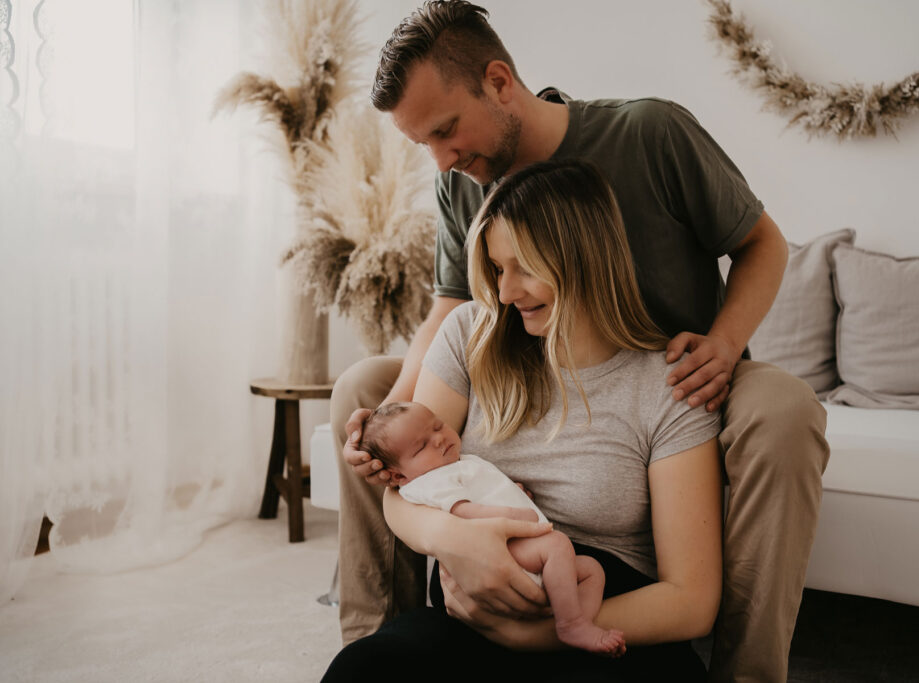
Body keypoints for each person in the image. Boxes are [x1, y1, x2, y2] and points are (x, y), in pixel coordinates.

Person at [331, 2, 829, 680]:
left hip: (684, 365)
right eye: (425, 145)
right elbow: (455, 304)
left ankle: (744, 673)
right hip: (522, 361)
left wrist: (723, 341)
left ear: (499, 82)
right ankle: (381, 628)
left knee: (784, 410)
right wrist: (392, 418)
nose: (442, 159)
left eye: (446, 130)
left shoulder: (648, 133)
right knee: (360, 393)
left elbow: (761, 243)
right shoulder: (460, 186)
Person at [323, 158, 721, 682]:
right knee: (364, 669)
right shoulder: (471, 335)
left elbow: (691, 600)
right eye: (497, 268)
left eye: (525, 268)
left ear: (586, 260)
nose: (505, 292)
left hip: (602, 618)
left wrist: (538, 634)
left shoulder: (667, 384)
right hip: (470, 619)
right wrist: (453, 539)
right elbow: (404, 493)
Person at [359, 400, 627, 656]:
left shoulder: (459, 463)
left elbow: (484, 489)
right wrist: (508, 513)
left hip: (522, 549)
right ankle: (571, 625)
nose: (439, 438)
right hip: (502, 551)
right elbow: (464, 511)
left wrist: (514, 493)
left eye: (438, 426)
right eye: (421, 447)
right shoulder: (429, 482)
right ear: (398, 476)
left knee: (592, 570)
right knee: (557, 545)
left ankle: (576, 623)